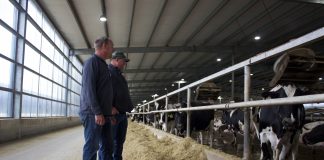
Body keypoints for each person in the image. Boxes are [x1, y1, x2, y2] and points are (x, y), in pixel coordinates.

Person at [79, 36, 114, 160]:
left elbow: (104, 92)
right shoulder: (91, 63)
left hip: (104, 114)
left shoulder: (103, 65)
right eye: (111, 47)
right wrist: (97, 112)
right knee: (92, 147)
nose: (112, 50)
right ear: (104, 46)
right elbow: (89, 90)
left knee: (107, 146)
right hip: (92, 113)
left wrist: (109, 113)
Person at [108, 51, 134, 160]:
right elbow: (102, 92)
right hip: (113, 115)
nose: (125, 64)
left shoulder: (119, 74)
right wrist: (109, 108)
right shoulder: (108, 72)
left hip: (122, 114)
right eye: (124, 61)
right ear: (117, 60)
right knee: (109, 144)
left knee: (119, 142)